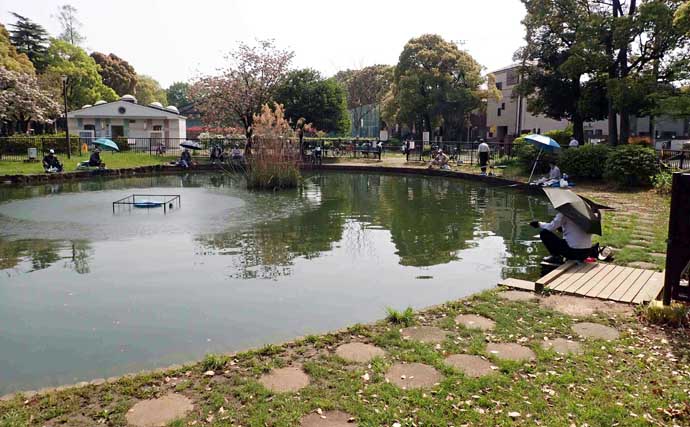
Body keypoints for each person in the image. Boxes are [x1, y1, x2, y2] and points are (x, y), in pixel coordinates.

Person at [530, 214, 595, 263]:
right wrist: (562, 228)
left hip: (573, 253)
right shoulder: (585, 214)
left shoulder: (564, 213)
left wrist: (539, 224)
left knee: (544, 233)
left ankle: (556, 257)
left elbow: (551, 227)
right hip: (587, 253)